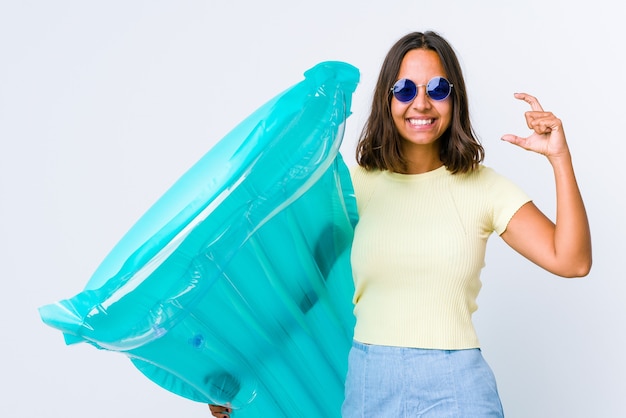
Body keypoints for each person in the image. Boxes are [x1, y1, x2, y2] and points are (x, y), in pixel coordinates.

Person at [210, 30, 592, 417]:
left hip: (457, 386)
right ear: (387, 99)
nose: (421, 103)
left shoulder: (485, 187)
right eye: (405, 89)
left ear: (454, 98)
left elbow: (572, 261)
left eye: (438, 89)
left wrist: (560, 158)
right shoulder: (350, 187)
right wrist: (242, 371)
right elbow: (301, 294)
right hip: (369, 385)